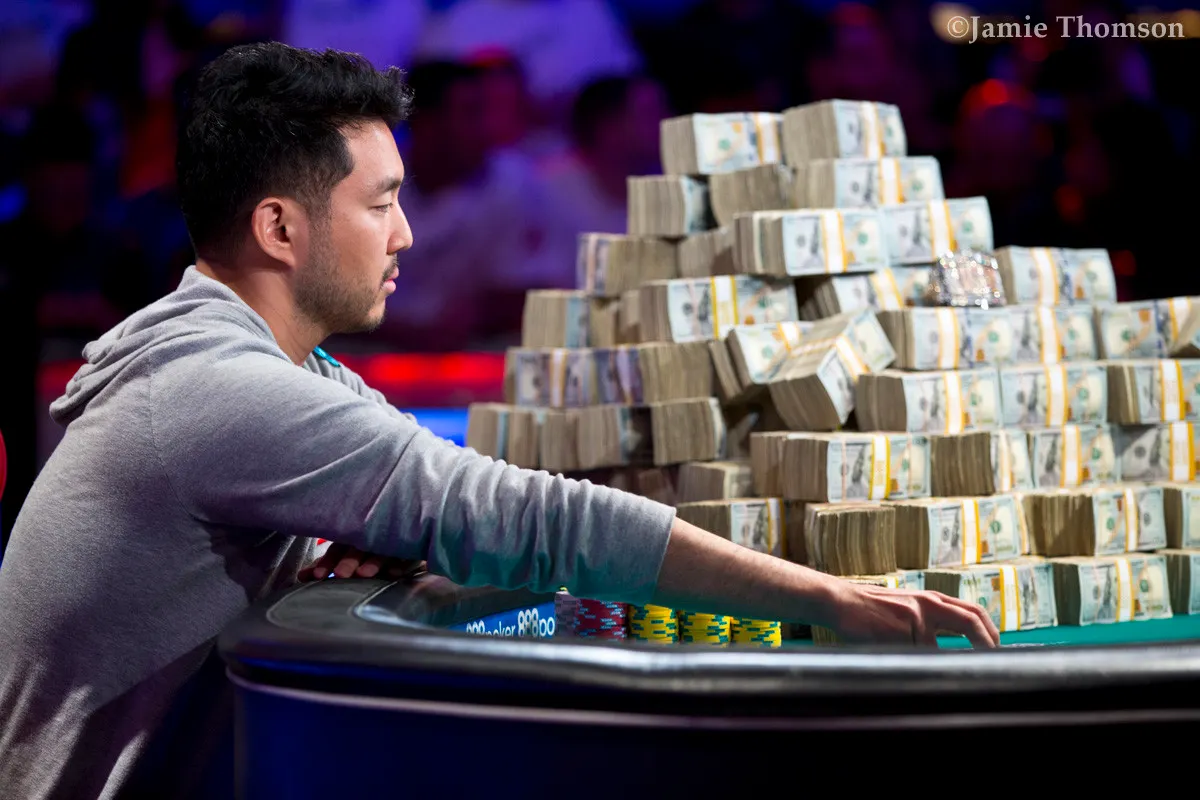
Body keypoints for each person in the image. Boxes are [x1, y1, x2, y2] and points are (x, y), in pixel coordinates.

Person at [0, 42, 999, 800]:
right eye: (381, 204)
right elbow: (523, 516)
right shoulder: (221, 387)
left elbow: (447, 502)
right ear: (278, 227)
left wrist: (404, 535)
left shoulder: (279, 365)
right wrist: (829, 596)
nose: (407, 234)